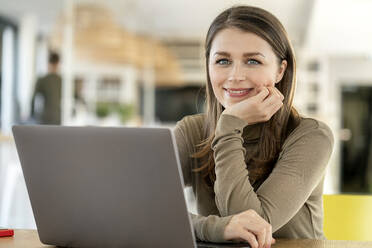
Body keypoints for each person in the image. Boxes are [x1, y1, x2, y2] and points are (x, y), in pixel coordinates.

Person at [173, 5, 334, 248]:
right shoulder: (191, 130)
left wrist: (229, 126)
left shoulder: (312, 136)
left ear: (280, 70)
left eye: (253, 61)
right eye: (223, 60)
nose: (235, 75)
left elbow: (252, 229)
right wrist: (215, 229)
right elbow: (138, 209)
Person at [31, 51, 62, 125]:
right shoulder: (60, 80)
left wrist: (32, 114)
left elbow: (33, 98)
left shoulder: (42, 79)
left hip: (49, 118)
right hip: (52, 118)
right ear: (58, 63)